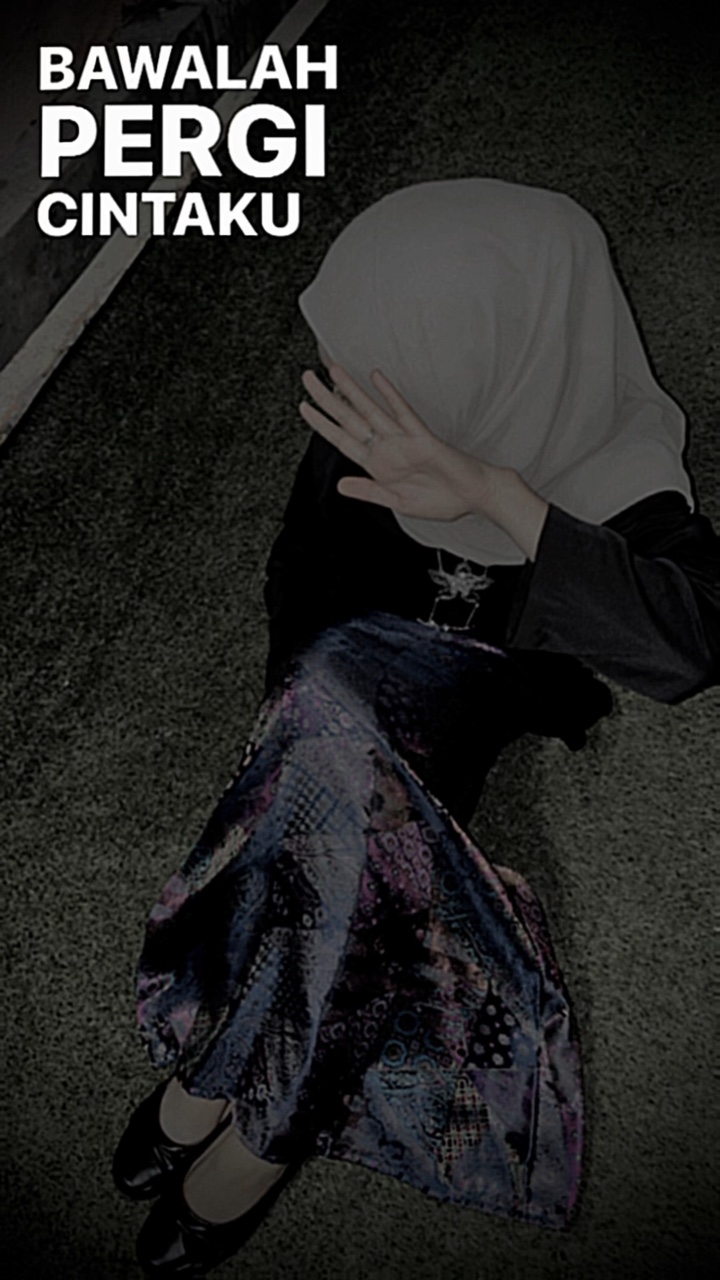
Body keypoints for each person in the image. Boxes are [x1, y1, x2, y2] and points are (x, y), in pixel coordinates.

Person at [112, 180, 720, 1277]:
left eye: (377, 361)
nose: (342, 388)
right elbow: (300, 569)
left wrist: (496, 494)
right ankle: (262, 1088)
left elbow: (692, 646)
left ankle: (245, 1100)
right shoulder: (377, 414)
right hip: (345, 692)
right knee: (333, 747)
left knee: (347, 779)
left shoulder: (611, 468)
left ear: (493, 356)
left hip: (469, 683)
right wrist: (292, 729)